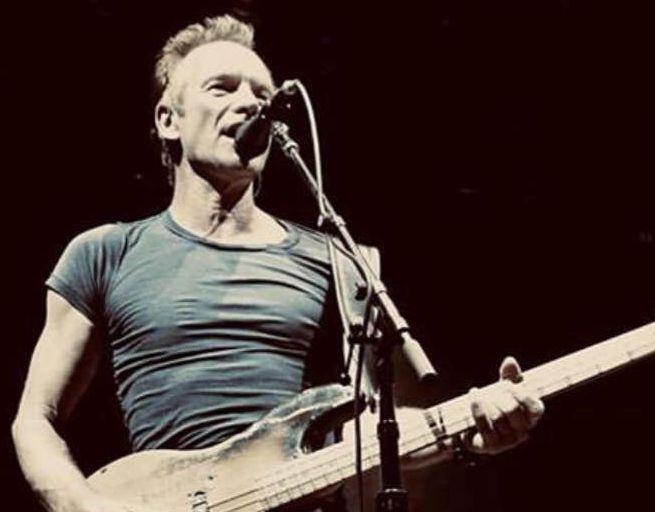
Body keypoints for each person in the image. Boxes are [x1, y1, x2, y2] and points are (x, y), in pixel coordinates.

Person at [12, 14, 545, 512]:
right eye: (222, 88)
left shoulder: (337, 261)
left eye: (262, 94)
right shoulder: (105, 252)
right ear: (169, 120)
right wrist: (85, 506)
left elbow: (363, 434)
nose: (251, 104)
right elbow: (36, 418)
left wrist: (467, 433)